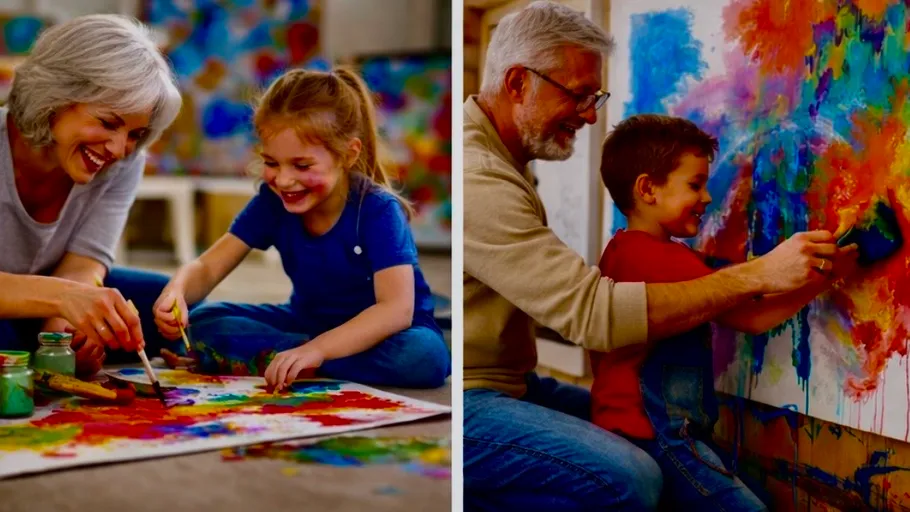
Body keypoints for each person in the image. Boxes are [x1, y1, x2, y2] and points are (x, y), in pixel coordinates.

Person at [463, 1, 846, 510]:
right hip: (474, 398)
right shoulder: (480, 177)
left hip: (513, 384)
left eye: (595, 96)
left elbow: (748, 316)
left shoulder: (511, 163)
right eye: (579, 94)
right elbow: (593, 315)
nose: (590, 113)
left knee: (630, 447)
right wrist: (760, 272)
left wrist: (825, 271)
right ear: (518, 84)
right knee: (631, 474)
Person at [592, 114, 857, 511]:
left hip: (632, 433)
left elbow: (748, 311)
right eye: (695, 185)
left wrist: (820, 280)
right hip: (657, 435)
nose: (707, 198)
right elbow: (752, 314)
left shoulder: (623, 250)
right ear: (647, 189)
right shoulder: (654, 258)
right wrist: (821, 274)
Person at [152, 67, 450, 390]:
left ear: (347, 155)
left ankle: (288, 359)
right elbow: (208, 267)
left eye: (302, 165)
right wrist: (177, 291)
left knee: (424, 356)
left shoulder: (378, 210)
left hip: (384, 334)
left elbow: (395, 310)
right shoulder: (272, 202)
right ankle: (291, 357)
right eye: (271, 163)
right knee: (201, 322)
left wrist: (317, 351)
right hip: (305, 323)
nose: (283, 179)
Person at [0, 14, 182, 376]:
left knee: (177, 309)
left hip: (50, 294)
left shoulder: (124, 162)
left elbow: (85, 263)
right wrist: (65, 299)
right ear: (56, 98)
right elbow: (68, 292)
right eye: (108, 122)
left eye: (135, 133)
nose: (120, 148)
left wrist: (62, 334)